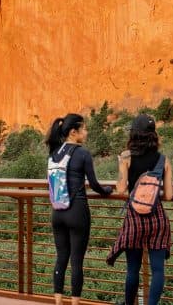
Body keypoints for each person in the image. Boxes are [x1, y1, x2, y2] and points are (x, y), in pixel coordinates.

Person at [46, 113, 114, 305]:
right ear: (73, 132)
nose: (86, 132)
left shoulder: (54, 152)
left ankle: (58, 302)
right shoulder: (82, 153)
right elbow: (94, 184)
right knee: (76, 262)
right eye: (83, 128)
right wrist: (107, 190)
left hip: (57, 212)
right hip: (77, 212)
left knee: (61, 259)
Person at [107, 114, 173, 305]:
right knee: (158, 270)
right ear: (153, 135)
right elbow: (168, 195)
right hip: (157, 218)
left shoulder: (127, 157)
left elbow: (120, 189)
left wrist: (121, 164)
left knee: (132, 268)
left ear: (134, 134)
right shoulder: (163, 160)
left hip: (135, 219)